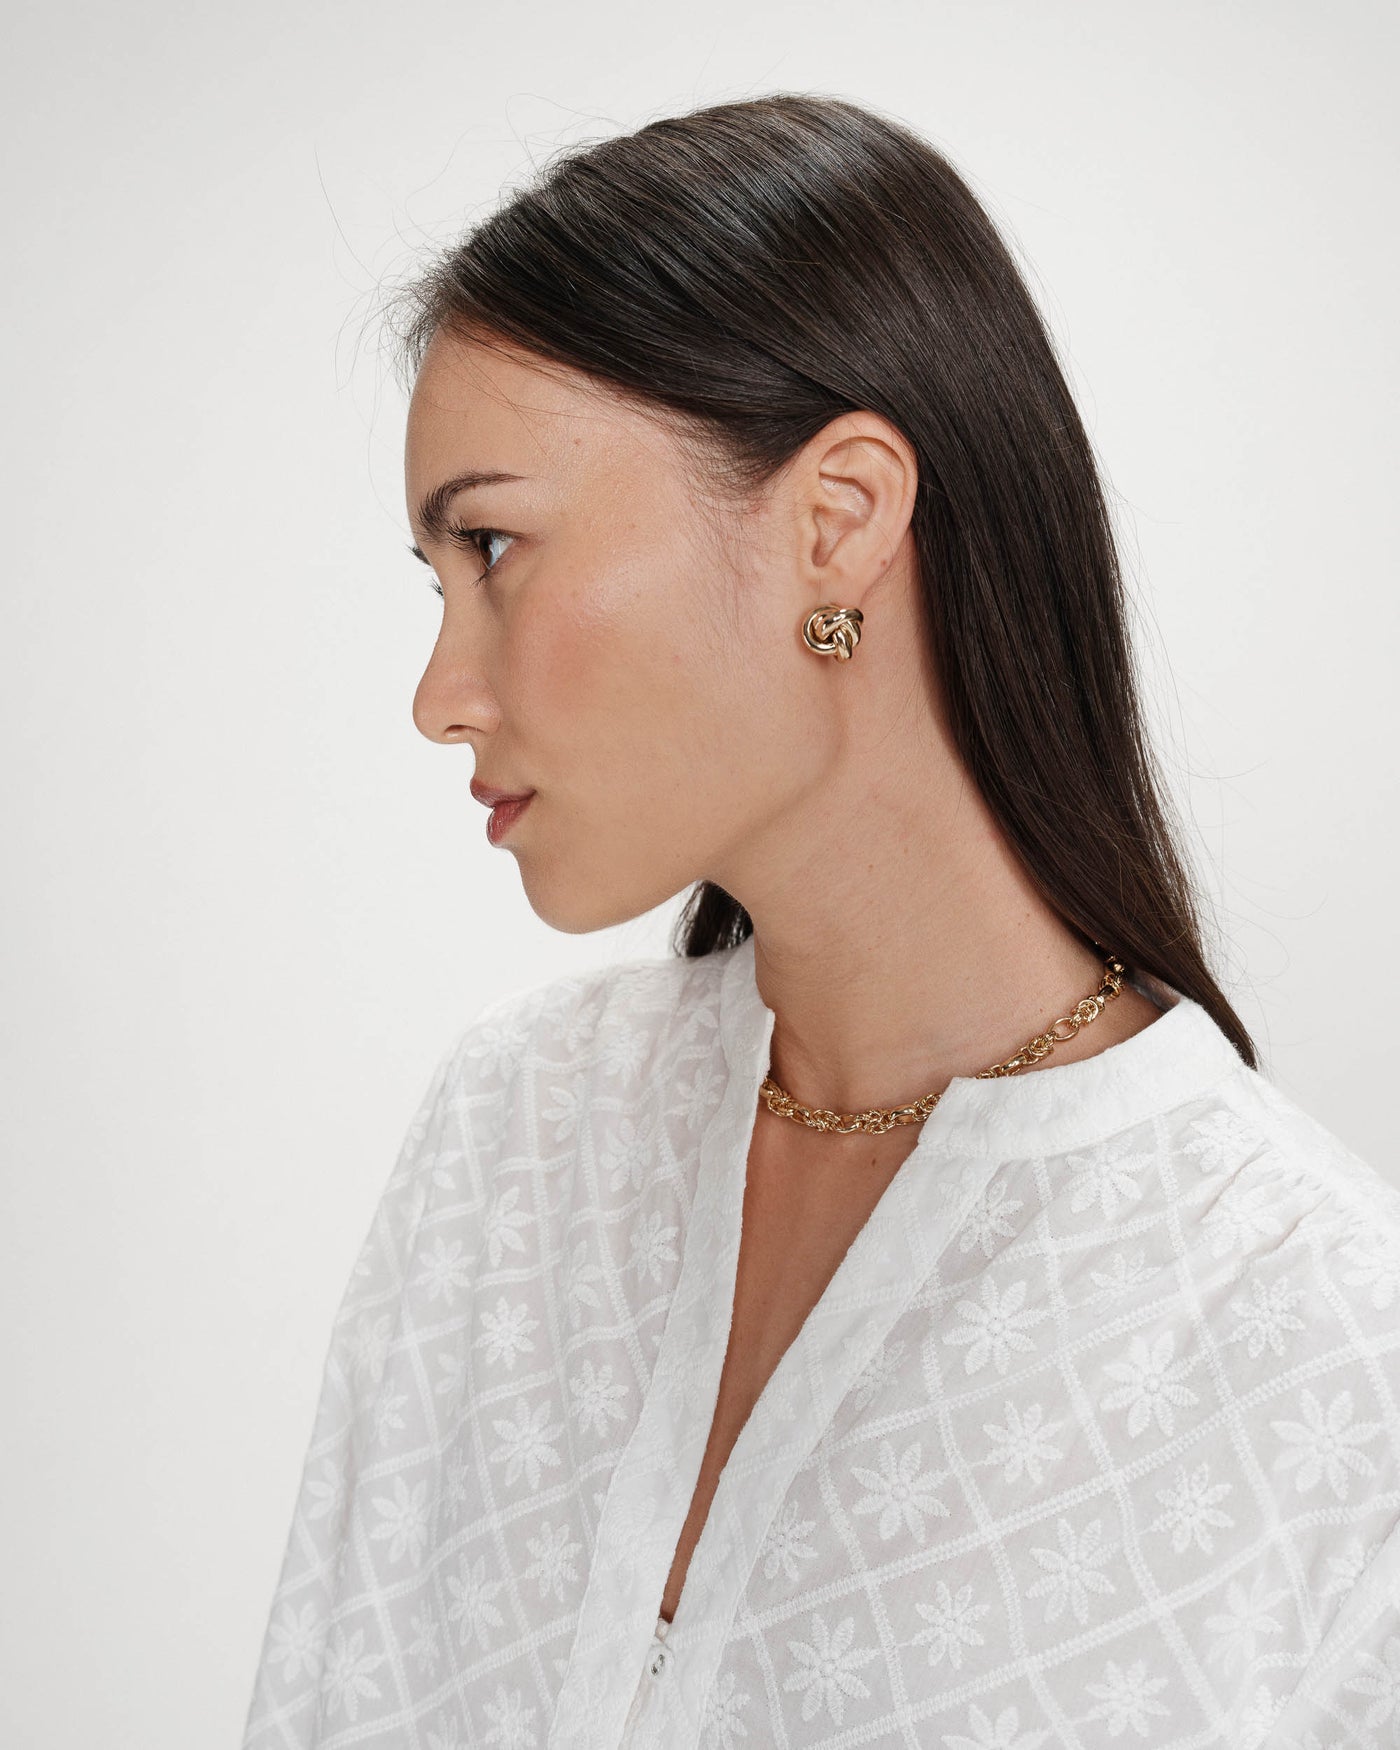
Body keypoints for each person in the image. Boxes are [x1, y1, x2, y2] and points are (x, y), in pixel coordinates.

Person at [240, 93, 1400, 1750]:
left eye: (497, 546)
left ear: (839, 520)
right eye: (440, 582)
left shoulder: (1326, 1358)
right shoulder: (509, 1148)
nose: (440, 694)